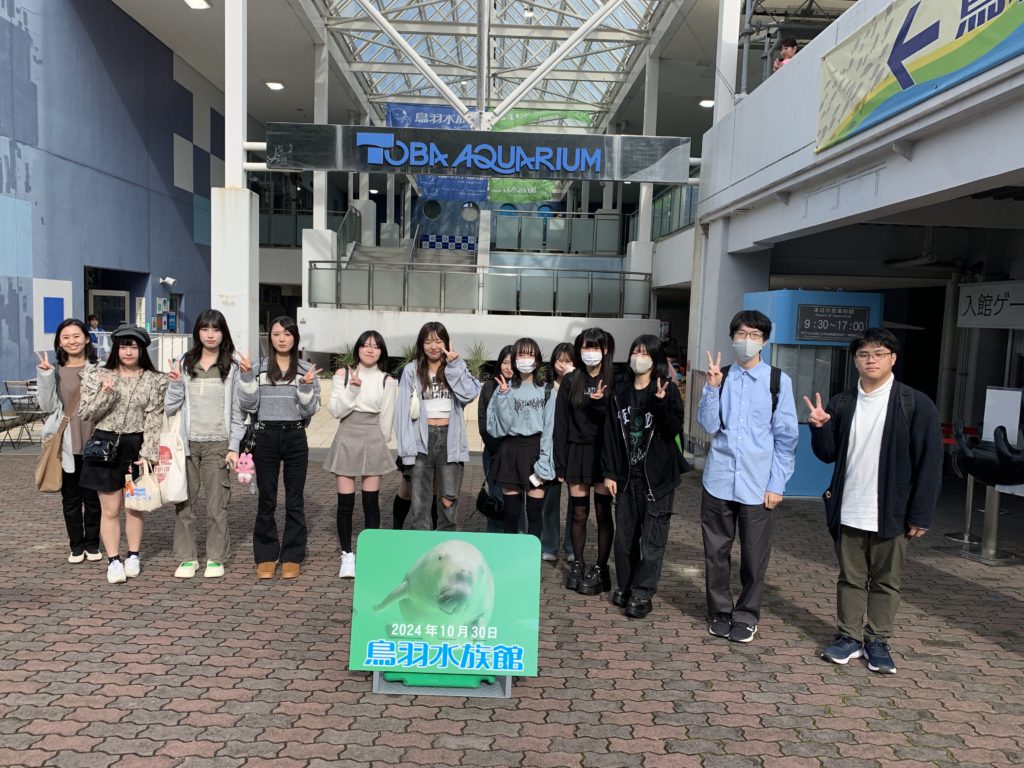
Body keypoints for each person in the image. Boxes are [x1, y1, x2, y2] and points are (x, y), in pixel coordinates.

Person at [806, 328, 942, 674]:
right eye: (864, 354)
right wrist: (820, 428)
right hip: (849, 506)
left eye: (879, 354)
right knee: (850, 578)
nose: (871, 360)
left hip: (892, 512)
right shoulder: (842, 402)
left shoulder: (915, 403)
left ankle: (878, 641)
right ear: (855, 360)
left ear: (893, 358)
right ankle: (848, 637)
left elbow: (929, 462)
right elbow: (828, 454)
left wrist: (921, 514)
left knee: (886, 581)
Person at [697, 309, 799, 643]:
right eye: (741, 334)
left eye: (755, 335)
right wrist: (711, 388)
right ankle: (719, 611)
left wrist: (777, 484)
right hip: (719, 480)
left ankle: (746, 614)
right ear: (732, 338)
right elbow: (708, 426)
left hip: (758, 485)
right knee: (716, 552)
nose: (747, 341)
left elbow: (786, 439)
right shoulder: (721, 377)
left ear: (764, 341)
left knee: (755, 556)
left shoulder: (777, 382)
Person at [602, 334, 685, 619]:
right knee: (624, 539)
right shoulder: (620, 391)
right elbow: (611, 436)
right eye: (636, 351)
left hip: (657, 479)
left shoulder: (666, 389)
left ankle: (642, 593)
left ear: (655, 359)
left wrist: (661, 404)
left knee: (652, 541)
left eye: (645, 353)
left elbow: (672, 430)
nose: (639, 357)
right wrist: (609, 473)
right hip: (626, 477)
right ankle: (625, 586)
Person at [78, 324, 167, 584]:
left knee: (134, 506)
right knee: (110, 509)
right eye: (124, 346)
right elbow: (86, 413)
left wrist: (148, 454)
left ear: (142, 350)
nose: (128, 351)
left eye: (134, 346)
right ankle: (113, 560)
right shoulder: (98, 375)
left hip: (135, 446)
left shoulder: (154, 380)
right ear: (116, 348)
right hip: (104, 444)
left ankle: (134, 556)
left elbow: (154, 417)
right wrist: (106, 393)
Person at [237, 316, 321, 579]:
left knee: (295, 500)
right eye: (276, 334)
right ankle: (266, 553)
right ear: (269, 338)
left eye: (287, 334)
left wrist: (306, 386)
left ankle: (292, 554)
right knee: (267, 498)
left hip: (295, 435)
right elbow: (249, 405)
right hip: (265, 435)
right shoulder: (258, 367)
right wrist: (246, 375)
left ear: (295, 337)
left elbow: (310, 410)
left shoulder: (306, 369)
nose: (282, 339)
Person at [165, 309, 246, 579]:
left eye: (216, 329)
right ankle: (187, 558)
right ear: (197, 332)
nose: (210, 335)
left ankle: (216, 557)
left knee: (217, 506)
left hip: (218, 444)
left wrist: (234, 446)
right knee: (184, 504)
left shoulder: (232, 367)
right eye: (204, 329)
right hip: (186, 445)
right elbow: (170, 406)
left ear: (223, 333)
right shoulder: (184, 363)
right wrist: (175, 384)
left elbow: (238, 412)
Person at [324, 330, 397, 579]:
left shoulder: (387, 380)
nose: (370, 350)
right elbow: (335, 410)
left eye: (375, 346)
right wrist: (352, 390)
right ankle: (347, 555)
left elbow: (387, 418)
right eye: (365, 345)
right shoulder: (343, 375)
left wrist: (381, 444)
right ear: (358, 349)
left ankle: (370, 553)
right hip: (347, 434)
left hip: (373, 437)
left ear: (381, 351)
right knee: (346, 503)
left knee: (371, 502)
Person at [395, 322, 481, 530]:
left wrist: (454, 366)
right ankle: (420, 546)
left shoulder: (456, 366)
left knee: (448, 501)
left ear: (446, 343)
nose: (433, 346)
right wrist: (406, 450)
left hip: (449, 438)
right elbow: (402, 412)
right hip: (420, 438)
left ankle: (445, 544)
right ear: (421, 344)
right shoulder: (411, 370)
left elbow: (469, 394)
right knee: (419, 506)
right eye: (428, 342)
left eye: (438, 341)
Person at [555, 328, 616, 594]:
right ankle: (578, 563)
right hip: (577, 453)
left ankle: (601, 568)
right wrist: (560, 462)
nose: (590, 352)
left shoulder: (614, 378)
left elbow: (615, 421)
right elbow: (561, 423)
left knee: (603, 513)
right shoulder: (571, 380)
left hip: (603, 454)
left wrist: (600, 403)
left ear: (605, 350)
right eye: (585, 347)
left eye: (595, 347)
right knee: (579, 512)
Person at [36, 319, 101, 563]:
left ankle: (92, 545)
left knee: (93, 499)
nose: (72, 341)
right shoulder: (55, 371)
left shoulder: (100, 369)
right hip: (67, 443)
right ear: (59, 342)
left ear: (86, 338)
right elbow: (47, 406)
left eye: (76, 336)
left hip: (95, 442)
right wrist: (45, 375)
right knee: (71, 499)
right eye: (66, 337)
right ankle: (76, 546)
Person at [486, 338, 555, 537]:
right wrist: (503, 397)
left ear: (537, 359)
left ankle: (532, 554)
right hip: (510, 451)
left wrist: (545, 461)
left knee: (534, 512)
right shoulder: (503, 388)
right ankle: (510, 553)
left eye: (530, 354)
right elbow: (498, 429)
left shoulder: (547, 390)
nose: (526, 359)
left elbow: (549, 429)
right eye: (521, 354)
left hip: (536, 451)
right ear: (515, 359)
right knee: (511, 513)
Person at [541, 342, 575, 560]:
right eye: (559, 360)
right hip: (551, 452)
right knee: (550, 502)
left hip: (574, 451)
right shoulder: (546, 390)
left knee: (576, 502)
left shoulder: (580, 387)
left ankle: (572, 546)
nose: (563, 365)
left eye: (568, 361)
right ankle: (550, 545)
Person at [478, 345, 514, 534]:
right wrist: (495, 449)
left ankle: (517, 539)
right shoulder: (489, 387)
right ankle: (495, 538)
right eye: (505, 362)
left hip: (518, 454)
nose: (508, 367)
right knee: (496, 500)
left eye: (512, 363)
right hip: (494, 453)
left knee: (516, 503)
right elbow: (483, 422)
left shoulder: (523, 388)